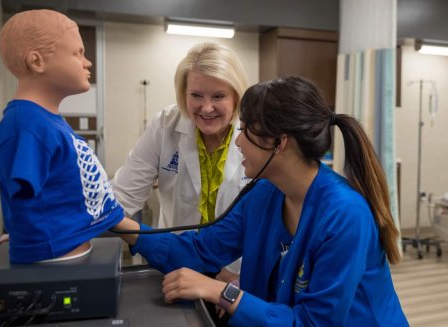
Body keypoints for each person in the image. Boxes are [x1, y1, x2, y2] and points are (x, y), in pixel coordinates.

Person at [112, 76, 409, 326]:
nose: (238, 141)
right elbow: (201, 249)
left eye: (245, 131)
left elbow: (313, 322)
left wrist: (222, 292)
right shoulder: (263, 195)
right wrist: (121, 224)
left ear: (279, 143)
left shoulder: (344, 215)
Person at [0, 9, 124, 263]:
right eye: (78, 53)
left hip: (71, 254)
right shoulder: (27, 124)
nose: (87, 62)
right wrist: (27, 235)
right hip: (54, 260)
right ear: (37, 61)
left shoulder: (46, 121)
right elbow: (23, 201)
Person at [111, 42, 248, 282]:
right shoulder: (166, 124)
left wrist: (237, 273)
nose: (206, 108)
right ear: (183, 93)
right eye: (196, 95)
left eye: (218, 96)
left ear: (236, 96)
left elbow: (269, 217)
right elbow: (122, 196)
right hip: (176, 264)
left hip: (237, 271)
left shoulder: (255, 133)